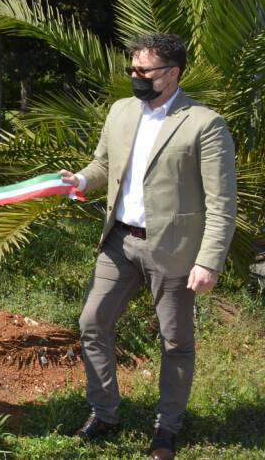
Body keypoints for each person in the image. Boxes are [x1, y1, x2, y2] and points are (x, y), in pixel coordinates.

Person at [60, 33, 236, 460]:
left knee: (175, 342)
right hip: (120, 241)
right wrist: (80, 180)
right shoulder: (121, 111)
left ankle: (166, 428)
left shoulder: (203, 123)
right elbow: (104, 164)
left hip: (175, 250)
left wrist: (208, 261)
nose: (135, 77)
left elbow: (221, 201)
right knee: (92, 323)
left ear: (173, 74)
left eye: (145, 71)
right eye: (132, 69)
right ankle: (105, 413)